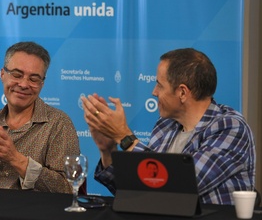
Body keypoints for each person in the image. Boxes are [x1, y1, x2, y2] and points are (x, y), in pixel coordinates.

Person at [81, 48, 255, 205]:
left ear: (182, 92)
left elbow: (182, 187)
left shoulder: (229, 126)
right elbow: (141, 192)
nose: (154, 92)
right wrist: (108, 150)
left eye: (159, 85)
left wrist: (125, 137)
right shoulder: (166, 125)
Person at [0, 41, 80, 193]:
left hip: (35, 215)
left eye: (34, 79)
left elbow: (69, 189)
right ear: (2, 74)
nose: (24, 84)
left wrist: (16, 159)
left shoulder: (59, 124)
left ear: (42, 83)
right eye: (17, 75)